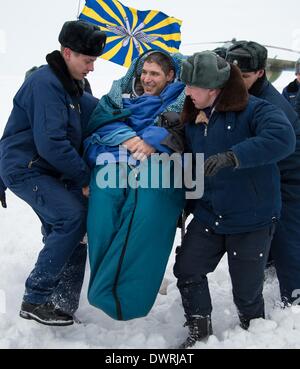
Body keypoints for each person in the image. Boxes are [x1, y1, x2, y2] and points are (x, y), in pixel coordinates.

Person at [174, 51, 296, 348]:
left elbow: (284, 138)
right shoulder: (193, 115)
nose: (186, 92)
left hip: (251, 219)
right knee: (187, 269)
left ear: (213, 89)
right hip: (210, 215)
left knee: (246, 292)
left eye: (192, 86)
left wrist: (234, 156)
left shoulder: (256, 110)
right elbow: (190, 162)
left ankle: (254, 336)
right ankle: (199, 331)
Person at [0, 20, 106, 326]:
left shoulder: (70, 87)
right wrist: (85, 178)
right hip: (28, 170)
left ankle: (62, 304)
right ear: (68, 53)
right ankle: (35, 298)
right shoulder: (46, 84)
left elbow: (100, 110)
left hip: (45, 170)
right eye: (88, 61)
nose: (92, 68)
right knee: (71, 218)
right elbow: (52, 144)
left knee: (75, 223)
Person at [83, 50, 186, 321]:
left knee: (142, 214)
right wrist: (127, 137)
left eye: (155, 74)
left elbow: (179, 127)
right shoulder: (122, 94)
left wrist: (152, 138)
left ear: (170, 76)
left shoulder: (181, 98)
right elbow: (100, 123)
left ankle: (131, 293)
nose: (147, 79)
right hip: (117, 158)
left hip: (156, 165)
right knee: (104, 206)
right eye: (144, 72)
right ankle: (106, 282)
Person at [226, 41, 300, 306]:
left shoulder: (271, 104)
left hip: (289, 175)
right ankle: (270, 268)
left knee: (286, 236)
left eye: (244, 76)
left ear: (260, 72)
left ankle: (294, 295)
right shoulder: (242, 91)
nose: (237, 81)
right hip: (265, 172)